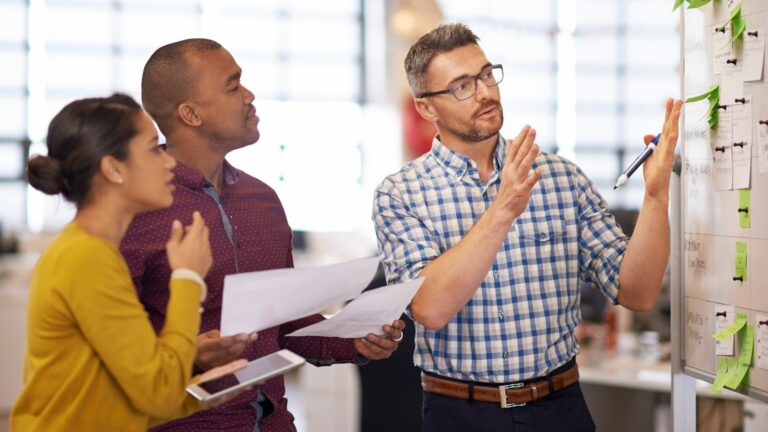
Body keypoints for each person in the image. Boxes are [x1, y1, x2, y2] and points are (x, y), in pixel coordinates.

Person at [372, 23, 683, 432]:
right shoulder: (400, 194)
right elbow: (430, 308)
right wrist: (502, 210)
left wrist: (656, 196)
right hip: (460, 414)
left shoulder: (560, 178)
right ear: (427, 108)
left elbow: (638, 291)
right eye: (462, 86)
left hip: (560, 407)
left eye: (485, 74)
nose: (484, 92)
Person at [120, 38, 405, 432]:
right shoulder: (135, 209)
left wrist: (354, 341)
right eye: (233, 86)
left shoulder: (262, 200)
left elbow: (284, 326)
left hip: (274, 423)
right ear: (190, 113)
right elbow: (105, 345)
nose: (250, 96)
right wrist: (188, 356)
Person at [10, 93, 239, 431]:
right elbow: (156, 393)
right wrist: (188, 278)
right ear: (113, 168)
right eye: (151, 149)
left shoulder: (91, 251)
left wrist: (195, 388)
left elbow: (110, 393)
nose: (169, 163)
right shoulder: (87, 257)